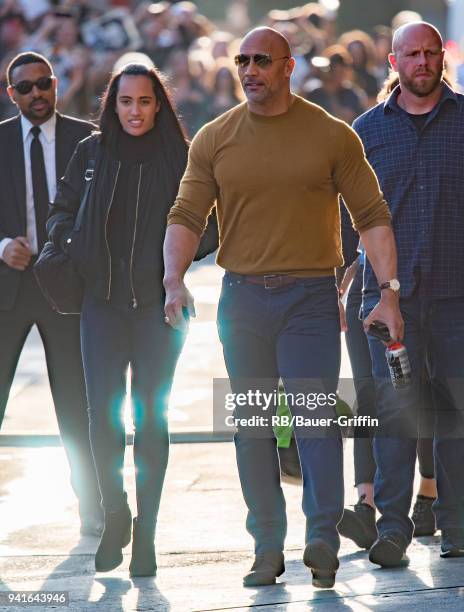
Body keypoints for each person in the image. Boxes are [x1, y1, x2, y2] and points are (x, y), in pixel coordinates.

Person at [163, 27, 403, 588]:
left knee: (314, 419)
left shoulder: (331, 135)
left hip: (310, 299)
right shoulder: (215, 136)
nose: (249, 69)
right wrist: (174, 280)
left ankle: (320, 537)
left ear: (287, 67)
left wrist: (388, 293)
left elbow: (371, 215)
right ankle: (266, 548)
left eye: (261, 60)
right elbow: (185, 213)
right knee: (252, 426)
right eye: (242, 60)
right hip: (241, 299)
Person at [47, 63, 188, 577]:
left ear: (159, 105)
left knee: (152, 420)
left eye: (145, 101)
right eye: (125, 101)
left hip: (159, 310)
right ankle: (115, 515)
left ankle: (146, 534)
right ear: (113, 104)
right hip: (101, 307)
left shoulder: (180, 156)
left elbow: (208, 225)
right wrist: (71, 242)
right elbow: (59, 214)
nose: (135, 111)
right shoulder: (91, 153)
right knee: (102, 419)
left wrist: (178, 265)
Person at [353, 21, 464, 567]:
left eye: (430, 53)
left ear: (441, 58)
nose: (423, 62)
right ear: (393, 63)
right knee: (396, 413)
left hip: (456, 300)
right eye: (411, 55)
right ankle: (392, 529)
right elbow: (348, 219)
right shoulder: (366, 131)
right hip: (387, 305)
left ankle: (457, 525)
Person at [0, 51, 102, 536]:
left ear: (56, 85)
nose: (35, 94)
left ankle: (93, 505)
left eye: (43, 84)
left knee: (76, 401)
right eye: (24, 88)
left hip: (68, 288)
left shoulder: (88, 139)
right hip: (7, 289)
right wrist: (1, 246)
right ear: (11, 93)